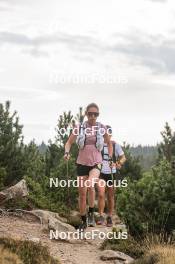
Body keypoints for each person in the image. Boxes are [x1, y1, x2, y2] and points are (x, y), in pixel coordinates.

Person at [64, 103, 113, 230]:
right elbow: (69, 142)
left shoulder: (102, 128)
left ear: (98, 115)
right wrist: (67, 153)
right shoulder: (79, 127)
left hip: (97, 163)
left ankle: (91, 212)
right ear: (86, 114)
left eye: (95, 114)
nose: (92, 116)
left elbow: (109, 143)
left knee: (90, 185)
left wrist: (110, 157)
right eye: (90, 113)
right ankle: (83, 220)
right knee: (82, 194)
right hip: (81, 163)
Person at [96, 125, 126, 227]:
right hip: (100, 173)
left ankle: (109, 217)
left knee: (111, 196)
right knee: (100, 194)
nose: (106, 136)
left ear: (110, 134)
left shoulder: (115, 145)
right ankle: (100, 216)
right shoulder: (98, 145)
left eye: (108, 134)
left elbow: (123, 157)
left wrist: (118, 163)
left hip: (112, 173)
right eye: (104, 134)